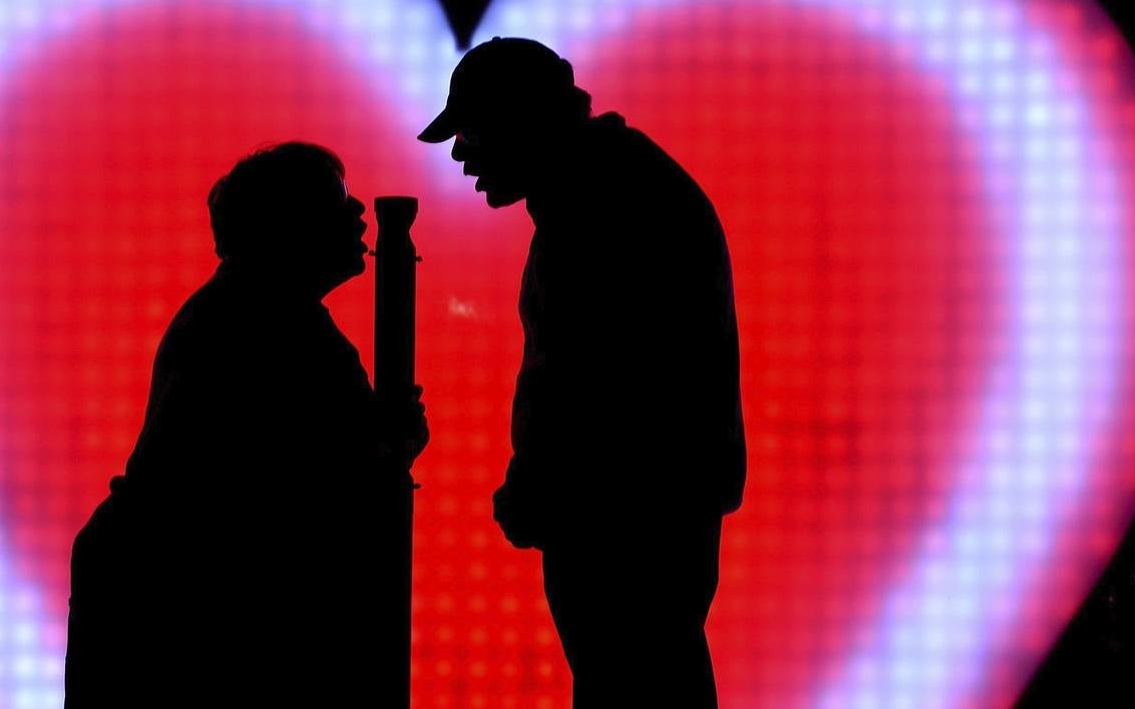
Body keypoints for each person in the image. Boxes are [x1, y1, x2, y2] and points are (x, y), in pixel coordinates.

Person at [419, 38, 746, 707]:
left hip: (618, 513)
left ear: (522, 121)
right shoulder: (619, 188)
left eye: (473, 130)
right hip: (645, 503)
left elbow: (589, 379)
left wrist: (539, 482)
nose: (460, 153)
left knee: (631, 678)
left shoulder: (598, 209)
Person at [65, 142, 429, 706]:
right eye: (337, 201)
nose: (359, 213)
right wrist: (389, 440)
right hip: (184, 595)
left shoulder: (256, 307)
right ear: (288, 224)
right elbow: (310, 468)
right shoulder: (270, 321)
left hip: (166, 581)